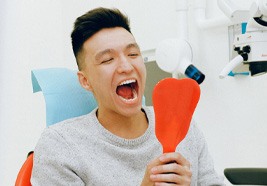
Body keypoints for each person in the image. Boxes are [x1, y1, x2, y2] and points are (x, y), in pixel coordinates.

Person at [31, 7, 225, 185]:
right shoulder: (60, 145)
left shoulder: (185, 128)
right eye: (108, 59)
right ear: (85, 81)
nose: (126, 66)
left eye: (132, 54)